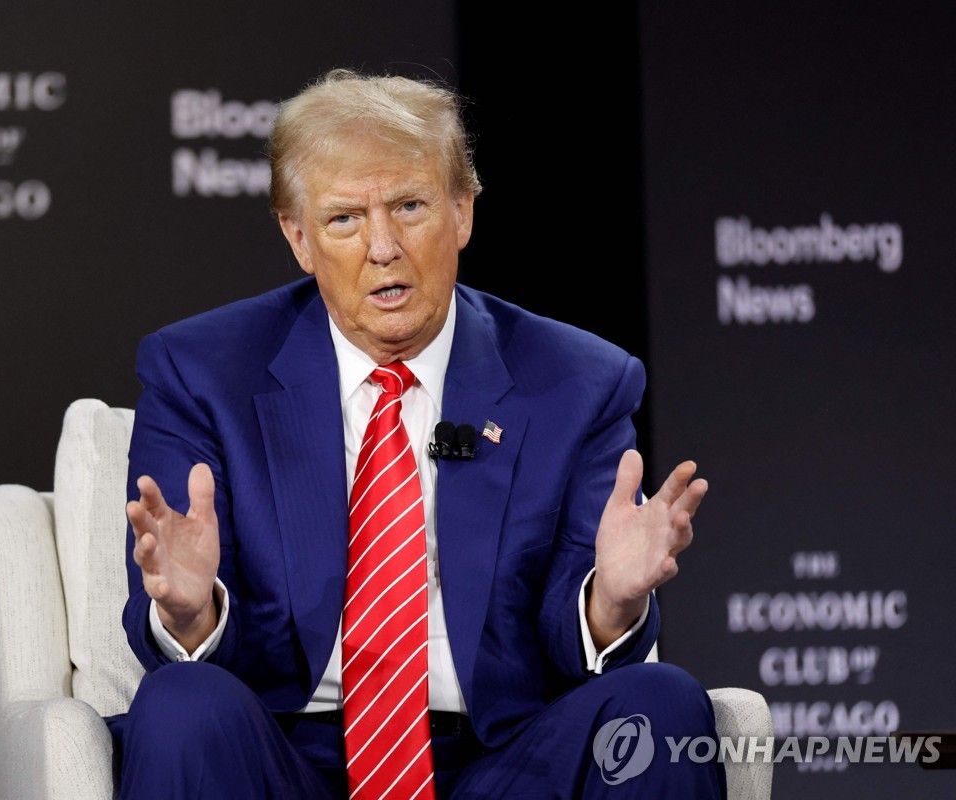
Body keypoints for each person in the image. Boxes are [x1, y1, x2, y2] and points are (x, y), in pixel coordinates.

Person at [113, 68, 725, 799]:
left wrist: (609, 602)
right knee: (181, 704)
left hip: (499, 757)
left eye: (409, 206)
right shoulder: (202, 373)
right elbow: (192, 638)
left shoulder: (575, 381)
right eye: (345, 219)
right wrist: (193, 612)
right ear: (298, 237)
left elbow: (571, 634)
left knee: (664, 704)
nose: (383, 247)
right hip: (288, 753)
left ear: (463, 212)